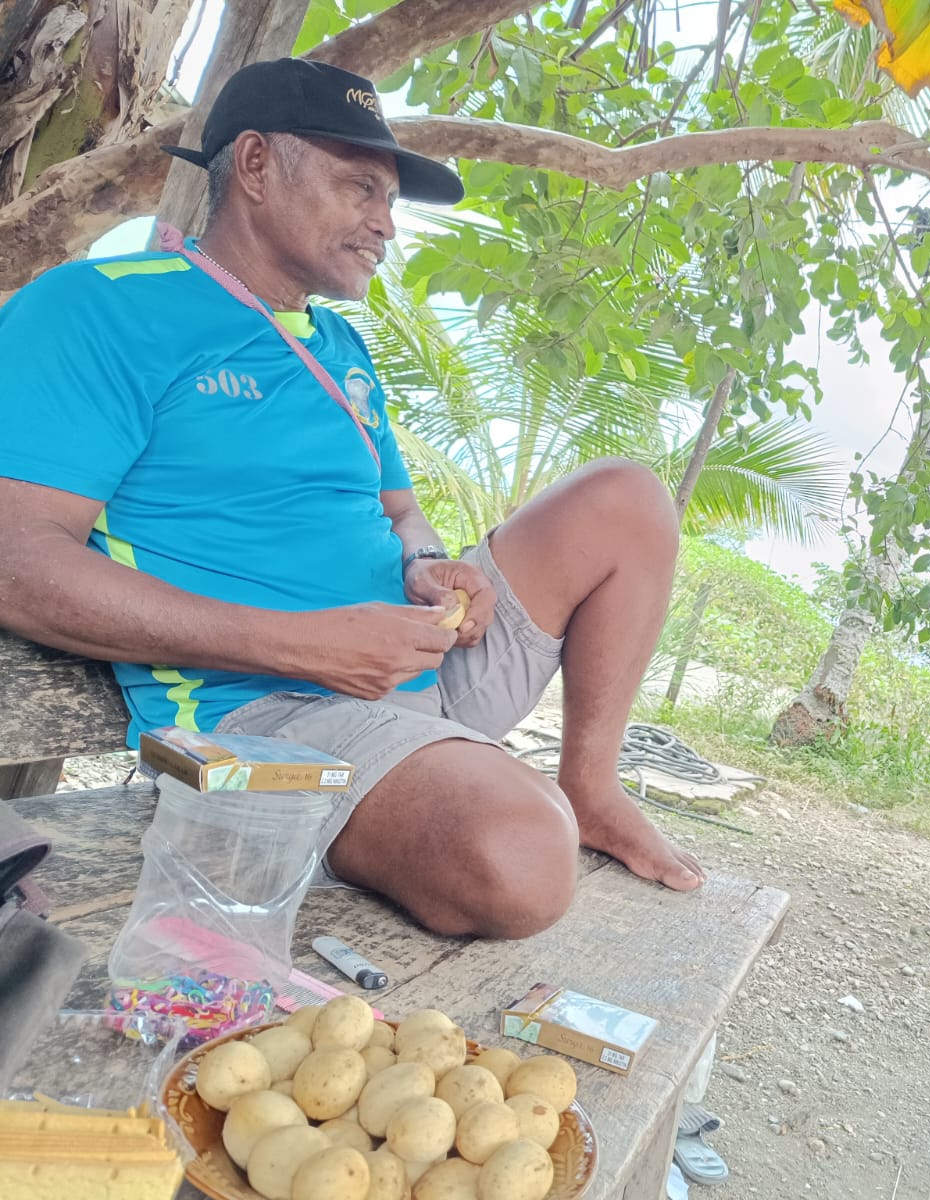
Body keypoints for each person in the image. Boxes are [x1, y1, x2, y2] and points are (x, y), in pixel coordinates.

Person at [0, 58, 704, 940]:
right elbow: (16, 561)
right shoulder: (100, 310)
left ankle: (591, 787)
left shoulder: (337, 344)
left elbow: (400, 511)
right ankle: (422, 799)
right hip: (271, 707)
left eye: (391, 200)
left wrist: (431, 565)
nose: (386, 226)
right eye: (361, 188)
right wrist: (302, 648)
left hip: (414, 658)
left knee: (628, 499)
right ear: (255, 166)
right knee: (521, 862)